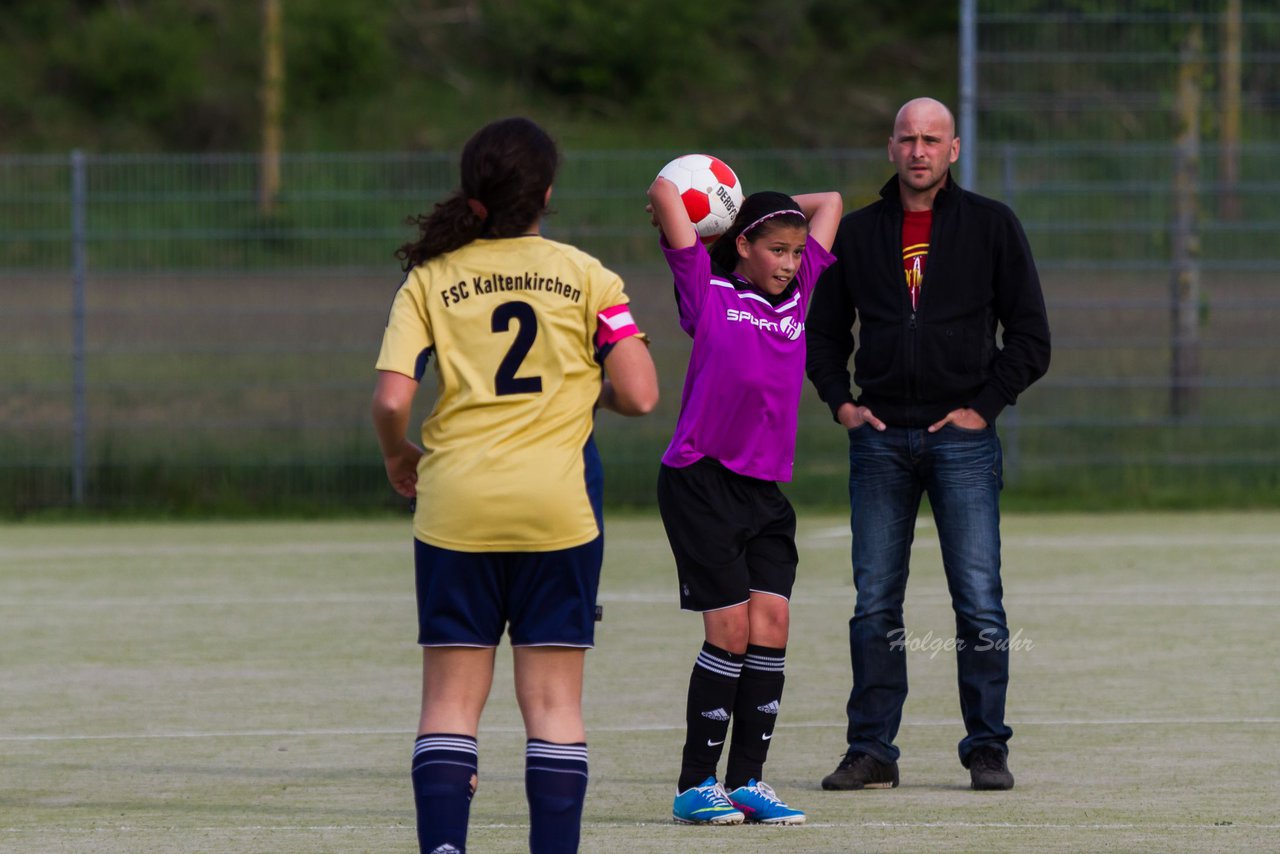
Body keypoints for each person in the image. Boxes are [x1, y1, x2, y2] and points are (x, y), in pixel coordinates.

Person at [371, 116, 659, 854]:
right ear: (547, 194)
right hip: (557, 512)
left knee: (448, 704)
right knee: (555, 705)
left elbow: (392, 400)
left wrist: (398, 455)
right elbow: (642, 396)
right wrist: (578, 390)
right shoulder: (589, 275)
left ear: (472, 197)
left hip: (455, 511)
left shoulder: (429, 279)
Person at [805, 97, 1050, 792]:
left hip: (962, 442)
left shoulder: (993, 226)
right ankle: (872, 750)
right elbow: (823, 334)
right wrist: (842, 404)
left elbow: (1031, 338)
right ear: (891, 149)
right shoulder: (856, 234)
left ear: (954, 150)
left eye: (931, 139)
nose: (918, 150)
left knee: (977, 601)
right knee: (875, 602)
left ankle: (986, 748)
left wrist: (984, 407)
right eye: (908, 139)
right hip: (879, 439)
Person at [647, 174, 842, 825]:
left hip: (763, 494)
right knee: (728, 633)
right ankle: (694, 784)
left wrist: (760, 207)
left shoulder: (799, 293)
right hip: (699, 483)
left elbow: (831, 203)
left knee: (771, 628)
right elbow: (665, 193)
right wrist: (724, 210)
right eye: (777, 249)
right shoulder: (708, 291)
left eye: (796, 250)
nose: (790, 262)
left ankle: (749, 781)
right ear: (743, 247)